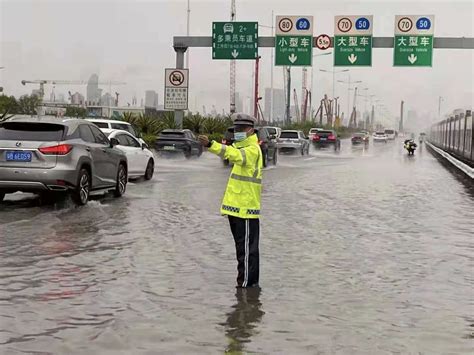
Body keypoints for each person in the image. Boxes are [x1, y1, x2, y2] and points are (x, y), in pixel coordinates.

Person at [198, 113, 262, 288]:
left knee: (248, 252)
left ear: (251, 130)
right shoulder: (242, 147)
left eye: (242, 129)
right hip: (236, 210)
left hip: (246, 211)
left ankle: (248, 289)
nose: (238, 132)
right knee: (241, 251)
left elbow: (233, 154)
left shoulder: (252, 150)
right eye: (236, 129)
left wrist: (211, 145)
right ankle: (243, 286)